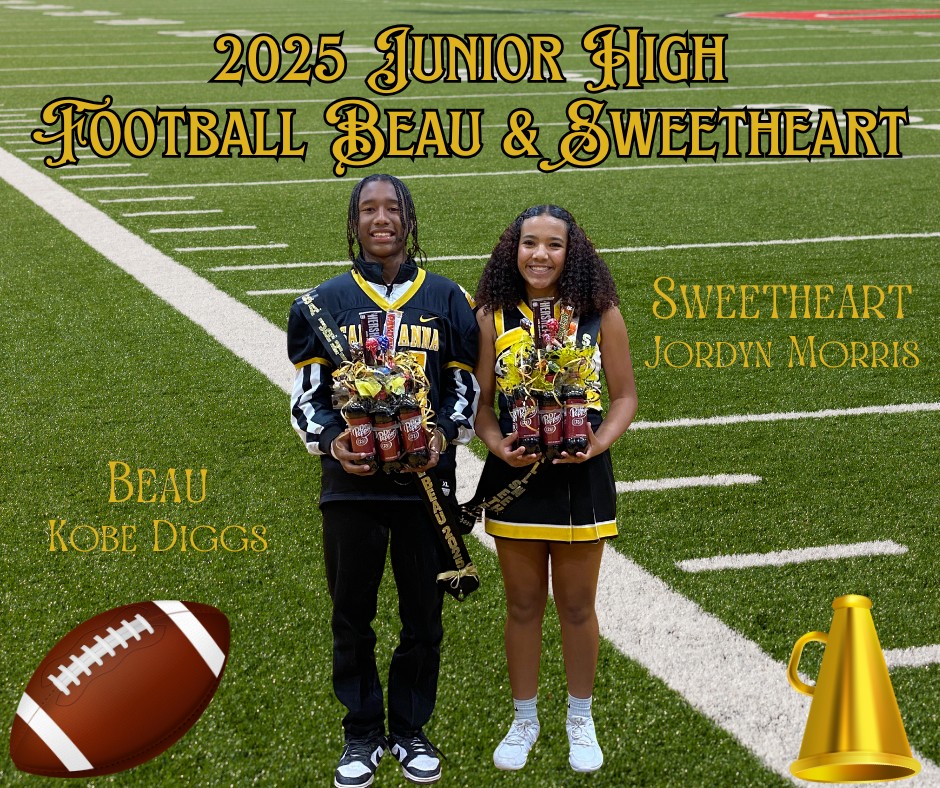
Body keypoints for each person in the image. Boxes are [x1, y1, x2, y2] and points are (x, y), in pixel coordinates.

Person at [287, 174, 480, 788]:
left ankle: (411, 729)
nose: (380, 219)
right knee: (352, 613)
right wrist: (330, 439)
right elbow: (308, 399)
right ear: (353, 223)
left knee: (424, 614)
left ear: (409, 220)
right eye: (367, 209)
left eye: (391, 208)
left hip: (426, 485)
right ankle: (362, 733)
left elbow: (463, 393)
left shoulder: (447, 298)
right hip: (352, 484)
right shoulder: (323, 301)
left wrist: (443, 436)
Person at [472, 205, 637, 773]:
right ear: (512, 250)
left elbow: (624, 398)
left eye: (554, 245)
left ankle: (579, 717)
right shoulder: (491, 315)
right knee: (521, 607)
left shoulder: (599, 313)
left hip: (582, 477)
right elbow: (483, 406)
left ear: (574, 253)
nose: (539, 255)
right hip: (515, 480)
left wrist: (597, 442)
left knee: (575, 606)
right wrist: (495, 445)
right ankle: (524, 718)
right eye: (528, 243)